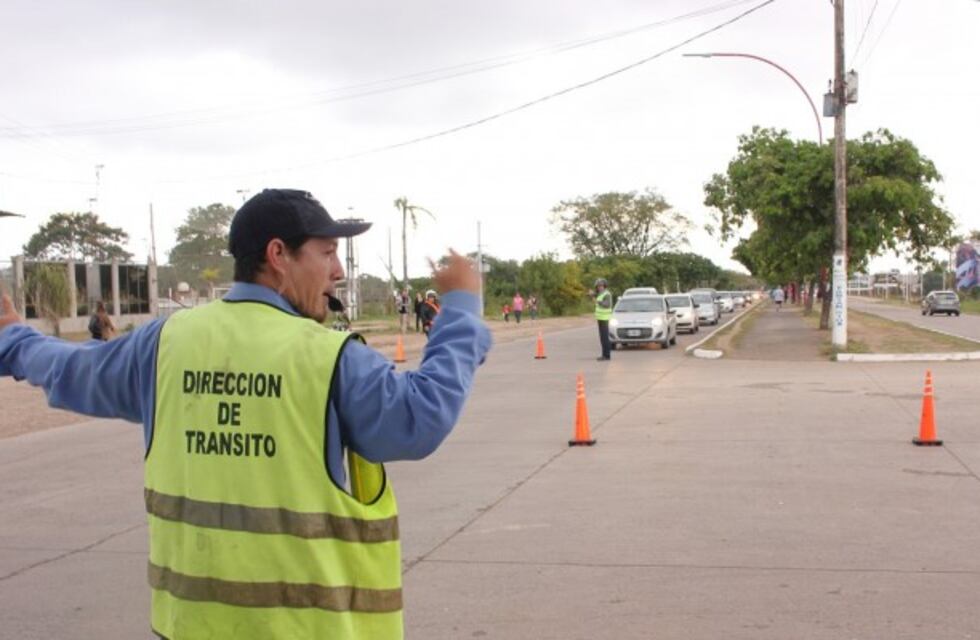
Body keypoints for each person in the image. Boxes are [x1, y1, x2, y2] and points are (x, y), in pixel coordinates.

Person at [0, 188, 492, 640]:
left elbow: (69, 370)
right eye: (326, 253)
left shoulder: (163, 343)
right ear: (278, 256)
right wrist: (461, 311)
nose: (339, 271)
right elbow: (420, 417)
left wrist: (14, 339)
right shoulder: (329, 358)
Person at [591, 278, 613, 361]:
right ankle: (604, 354)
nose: (599, 287)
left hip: (604, 318)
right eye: (598, 286)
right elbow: (595, 295)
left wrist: (597, 301)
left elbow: (607, 304)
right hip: (600, 318)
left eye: (601, 286)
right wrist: (592, 295)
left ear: (604, 286)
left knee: (604, 338)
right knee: (602, 337)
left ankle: (606, 355)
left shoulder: (606, 294)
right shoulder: (600, 294)